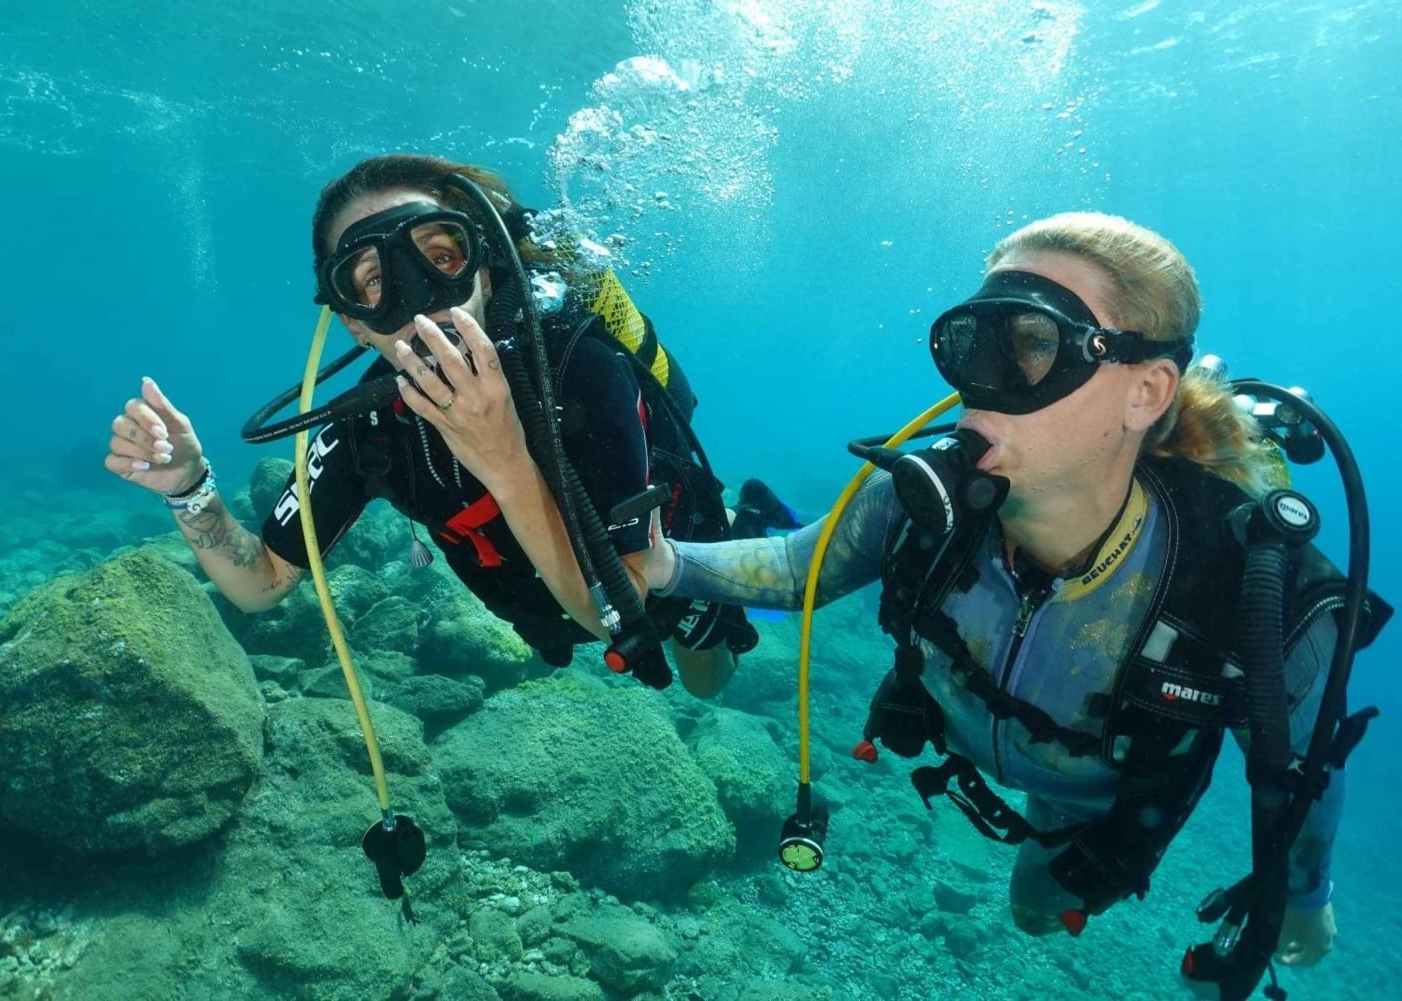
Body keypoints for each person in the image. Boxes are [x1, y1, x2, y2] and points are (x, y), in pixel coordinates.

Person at [433, 210, 1386, 994]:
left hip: (1093, 800)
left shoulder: (1250, 591)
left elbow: (1304, 774)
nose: (979, 384)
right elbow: (800, 568)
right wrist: (668, 564)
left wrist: (1307, 900)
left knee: (1034, 908)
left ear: (1147, 391)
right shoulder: (920, 504)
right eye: (969, 342)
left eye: (1031, 344)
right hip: (955, 733)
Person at [104, 153, 789, 697]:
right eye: (374, 280)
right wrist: (189, 488)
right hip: (541, 607)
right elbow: (260, 581)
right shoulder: (372, 427)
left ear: (486, 270)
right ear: (354, 323)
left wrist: (504, 456)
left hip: (656, 570)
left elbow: (618, 609)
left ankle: (742, 518)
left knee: (706, 683)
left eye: (440, 256)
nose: (417, 300)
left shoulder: (582, 368)